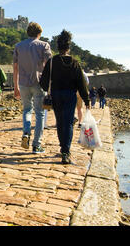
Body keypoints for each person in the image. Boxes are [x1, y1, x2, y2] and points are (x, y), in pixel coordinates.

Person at [40, 30, 90, 164]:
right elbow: (81, 83)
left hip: (56, 95)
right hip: (70, 95)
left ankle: (63, 147)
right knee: (68, 123)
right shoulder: (74, 62)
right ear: (68, 47)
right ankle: (66, 151)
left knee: (60, 122)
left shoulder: (52, 62)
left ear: (58, 47)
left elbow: (43, 82)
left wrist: (48, 89)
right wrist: (86, 100)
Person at [13, 22, 52, 153]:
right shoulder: (44, 45)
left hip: (23, 84)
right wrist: (50, 86)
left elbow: (15, 68)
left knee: (27, 110)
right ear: (39, 33)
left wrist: (15, 87)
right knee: (40, 113)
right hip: (39, 83)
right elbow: (49, 66)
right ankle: (37, 144)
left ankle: (26, 132)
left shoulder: (18, 46)